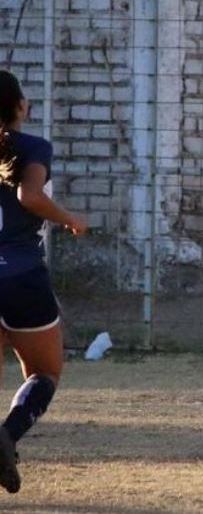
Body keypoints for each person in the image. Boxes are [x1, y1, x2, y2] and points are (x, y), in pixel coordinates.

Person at [0, 70, 88, 494]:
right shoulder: (33, 146)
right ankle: (8, 434)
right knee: (44, 371)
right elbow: (29, 197)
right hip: (20, 276)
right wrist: (70, 219)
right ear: (19, 106)